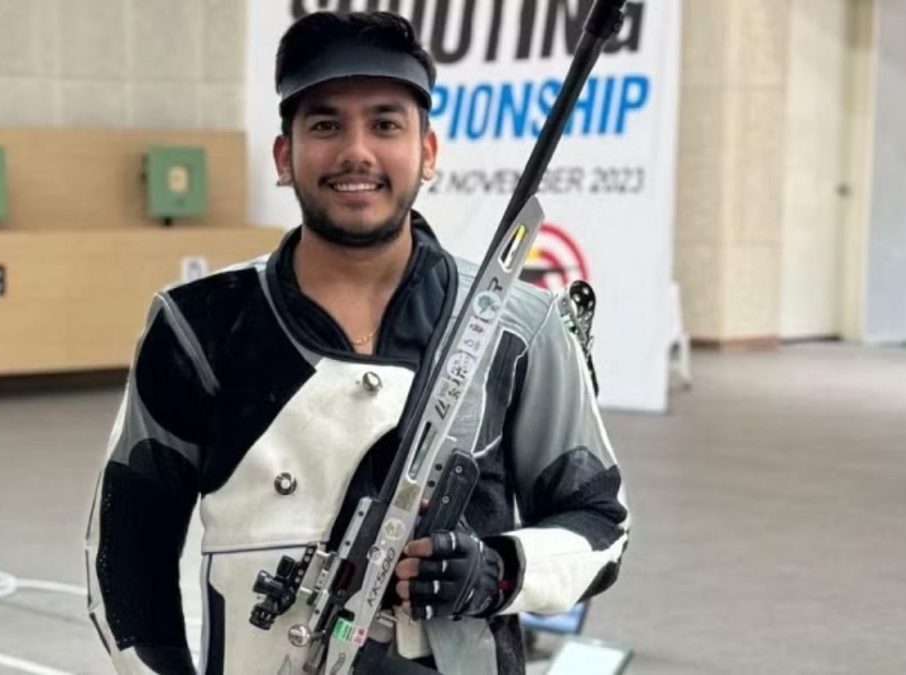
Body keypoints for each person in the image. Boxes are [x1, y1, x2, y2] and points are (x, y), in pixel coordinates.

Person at [85, 10, 629, 675]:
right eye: (325, 124)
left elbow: (602, 522)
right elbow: (127, 551)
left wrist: (500, 569)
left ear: (428, 152)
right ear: (284, 156)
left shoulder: (524, 327)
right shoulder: (197, 325)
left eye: (385, 123)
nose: (357, 152)